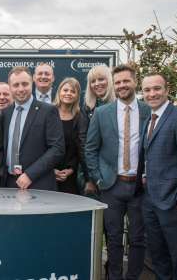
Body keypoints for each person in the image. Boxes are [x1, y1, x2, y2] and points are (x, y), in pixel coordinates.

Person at [85, 64, 150, 280]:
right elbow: (91, 148)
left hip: (139, 187)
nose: (122, 85)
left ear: (134, 82)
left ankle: (133, 277)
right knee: (113, 239)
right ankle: (114, 277)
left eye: (126, 81)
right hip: (111, 186)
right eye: (118, 82)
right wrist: (98, 178)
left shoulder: (148, 111)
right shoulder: (103, 113)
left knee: (138, 238)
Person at [137, 74, 177, 280]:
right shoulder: (149, 119)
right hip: (150, 201)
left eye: (157, 89)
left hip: (173, 203)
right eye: (147, 90)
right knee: (158, 256)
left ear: (167, 90)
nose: (152, 94)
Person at [2, 66, 64, 190]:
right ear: (10, 87)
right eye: (16, 85)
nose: (20, 89)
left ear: (32, 83)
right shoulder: (5, 113)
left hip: (38, 183)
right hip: (9, 183)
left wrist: (30, 175)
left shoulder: (48, 111)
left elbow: (57, 149)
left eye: (25, 84)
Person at [80, 65, 116, 196]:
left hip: (119, 176)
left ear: (110, 80)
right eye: (93, 81)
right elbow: (83, 144)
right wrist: (91, 178)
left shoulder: (120, 105)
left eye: (101, 79)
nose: (97, 84)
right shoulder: (87, 108)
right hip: (94, 174)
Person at [53, 78, 88, 194]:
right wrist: (51, 170)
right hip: (47, 174)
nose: (68, 93)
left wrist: (71, 169)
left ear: (77, 95)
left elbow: (80, 148)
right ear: (59, 92)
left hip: (69, 176)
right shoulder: (49, 113)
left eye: (73, 91)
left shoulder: (80, 117)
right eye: (65, 90)